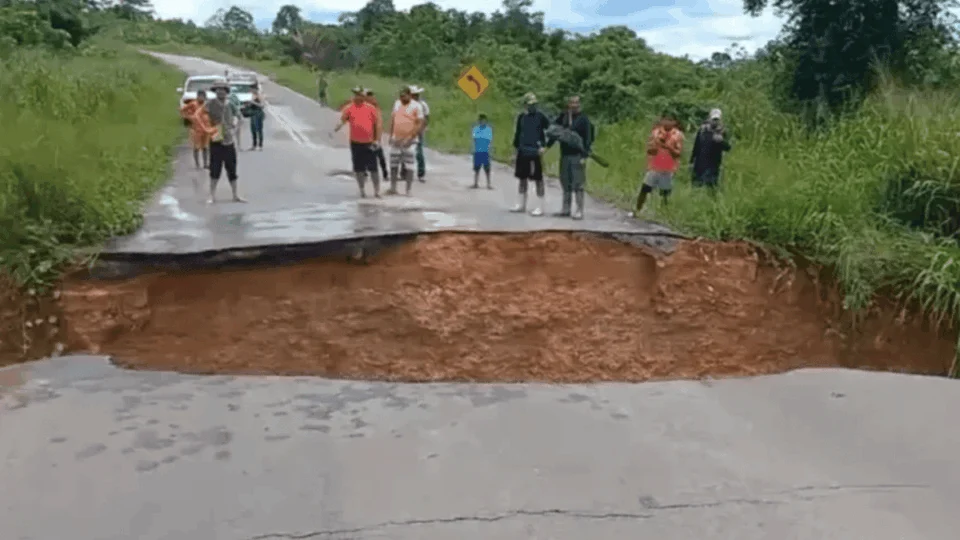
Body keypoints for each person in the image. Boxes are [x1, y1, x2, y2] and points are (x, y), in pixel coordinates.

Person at [545, 95, 594, 220]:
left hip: (577, 155)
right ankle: (566, 209)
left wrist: (584, 156)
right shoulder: (564, 117)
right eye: (572, 103)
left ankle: (579, 210)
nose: (574, 105)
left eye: (576, 103)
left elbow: (588, 138)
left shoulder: (584, 120)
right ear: (568, 104)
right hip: (565, 154)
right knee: (565, 182)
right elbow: (555, 132)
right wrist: (547, 147)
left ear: (579, 104)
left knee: (578, 184)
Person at [632, 114, 685, 216]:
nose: (667, 122)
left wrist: (668, 147)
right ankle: (637, 210)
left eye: (670, 120)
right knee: (645, 188)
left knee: (665, 193)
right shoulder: (656, 133)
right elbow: (649, 149)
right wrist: (656, 147)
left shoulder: (678, 135)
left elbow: (678, 154)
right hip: (655, 166)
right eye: (666, 120)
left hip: (668, 167)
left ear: (674, 122)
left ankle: (664, 214)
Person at [335, 86, 382, 198]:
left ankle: (377, 191)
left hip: (369, 142)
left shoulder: (370, 108)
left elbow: (377, 125)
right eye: (355, 94)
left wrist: (377, 140)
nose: (356, 97)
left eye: (358, 94)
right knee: (359, 168)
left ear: (363, 96)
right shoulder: (350, 108)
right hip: (355, 142)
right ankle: (362, 189)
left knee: (373, 168)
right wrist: (337, 127)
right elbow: (343, 120)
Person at [510, 92, 551, 215]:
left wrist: (545, 146)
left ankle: (540, 206)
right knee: (522, 178)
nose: (533, 107)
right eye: (530, 104)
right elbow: (517, 135)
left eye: (534, 104)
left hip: (535, 151)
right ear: (525, 105)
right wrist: (514, 152)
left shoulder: (541, 117)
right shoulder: (521, 117)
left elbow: (551, 130)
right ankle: (521, 204)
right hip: (523, 151)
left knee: (538, 179)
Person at [204, 82, 245, 204]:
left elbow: (239, 117)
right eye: (218, 90)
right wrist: (207, 127)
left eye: (222, 90)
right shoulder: (210, 103)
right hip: (216, 136)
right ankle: (211, 195)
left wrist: (235, 128)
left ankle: (235, 195)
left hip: (229, 139)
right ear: (215, 91)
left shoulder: (230, 104)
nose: (220, 92)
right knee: (215, 168)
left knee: (231, 168)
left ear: (226, 92)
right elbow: (201, 115)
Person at [386, 86, 423, 196]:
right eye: (401, 96)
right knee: (393, 164)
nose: (402, 98)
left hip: (409, 141)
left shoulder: (416, 106)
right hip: (396, 139)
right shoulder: (397, 104)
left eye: (404, 96)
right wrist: (390, 135)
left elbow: (419, 123)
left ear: (409, 95)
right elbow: (393, 119)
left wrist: (411, 138)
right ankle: (393, 188)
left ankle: (408, 189)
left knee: (409, 166)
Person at [690, 108, 731, 189]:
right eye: (713, 119)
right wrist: (692, 160)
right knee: (697, 186)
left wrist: (721, 141)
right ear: (709, 119)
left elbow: (728, 148)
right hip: (699, 163)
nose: (715, 121)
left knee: (711, 187)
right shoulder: (702, 130)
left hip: (713, 165)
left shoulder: (722, 132)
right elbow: (696, 146)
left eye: (717, 120)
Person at [180, 90, 215, 169]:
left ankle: (205, 163)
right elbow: (183, 110)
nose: (201, 98)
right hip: (196, 130)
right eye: (200, 96)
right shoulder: (193, 104)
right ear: (197, 96)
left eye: (203, 96)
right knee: (196, 147)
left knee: (205, 147)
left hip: (206, 129)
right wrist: (189, 117)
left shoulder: (207, 105)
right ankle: (197, 164)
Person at [365, 89, 389, 179]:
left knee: (378, 154)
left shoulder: (374, 107)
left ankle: (384, 172)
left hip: (374, 135)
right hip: (368, 135)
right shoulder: (367, 106)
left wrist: (377, 138)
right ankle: (367, 171)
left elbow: (378, 124)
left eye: (370, 95)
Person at [410, 85, 430, 182]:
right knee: (405, 152)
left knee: (419, 153)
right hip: (408, 130)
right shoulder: (407, 105)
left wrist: (421, 129)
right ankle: (404, 172)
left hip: (419, 131)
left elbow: (426, 118)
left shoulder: (423, 105)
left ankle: (421, 174)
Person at [471, 113, 493, 189]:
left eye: (484, 121)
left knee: (487, 169)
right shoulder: (476, 129)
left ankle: (488, 184)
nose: (482, 122)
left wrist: (489, 149)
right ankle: (475, 183)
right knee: (476, 169)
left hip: (485, 151)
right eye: (481, 120)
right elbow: (474, 139)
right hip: (478, 151)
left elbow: (489, 140)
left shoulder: (488, 130)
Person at [247, 86, 266, 151]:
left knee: (259, 129)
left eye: (252, 89)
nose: (251, 90)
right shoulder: (252, 96)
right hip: (253, 113)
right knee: (253, 130)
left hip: (258, 113)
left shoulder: (259, 95)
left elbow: (262, 105)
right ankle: (254, 145)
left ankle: (260, 145)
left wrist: (253, 102)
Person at [228, 85, 244, 150]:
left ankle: (236, 145)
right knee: (236, 131)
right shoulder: (233, 98)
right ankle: (238, 145)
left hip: (232, 116)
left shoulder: (231, 98)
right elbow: (238, 107)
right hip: (232, 116)